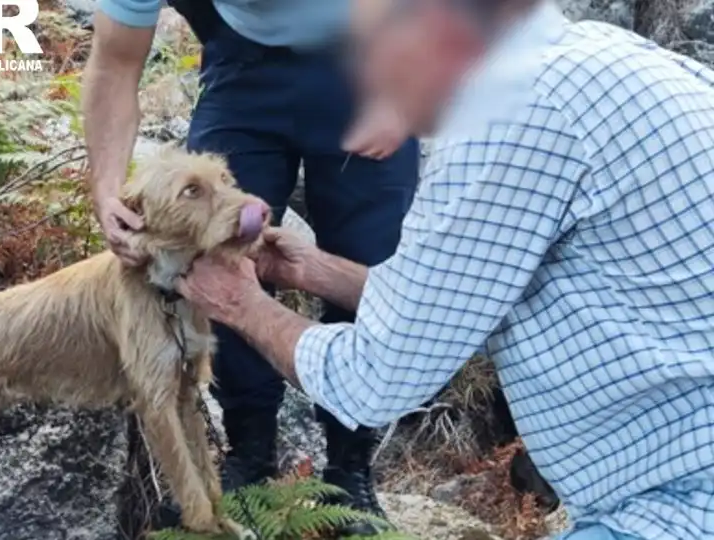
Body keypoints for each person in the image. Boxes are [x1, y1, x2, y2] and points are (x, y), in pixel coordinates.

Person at [174, 0, 714, 539]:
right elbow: (449, 307)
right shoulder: (600, 61)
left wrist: (240, 303)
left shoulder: (509, 113)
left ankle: (345, 468)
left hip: (676, 508)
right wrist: (314, 269)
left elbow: (375, 377)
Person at [82, 0, 420, 534]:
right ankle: (250, 456)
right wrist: (105, 190)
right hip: (242, 70)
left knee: (365, 259)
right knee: (211, 251)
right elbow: (115, 62)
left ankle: (349, 472)